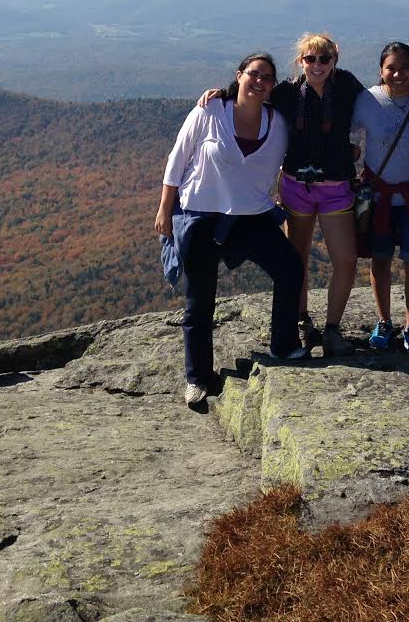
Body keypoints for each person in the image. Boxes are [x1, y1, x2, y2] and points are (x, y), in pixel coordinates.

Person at [154, 52, 305, 407]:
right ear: (239, 76)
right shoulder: (209, 112)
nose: (259, 82)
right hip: (200, 216)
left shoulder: (277, 124)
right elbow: (177, 160)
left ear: (272, 86)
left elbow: (285, 165)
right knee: (199, 300)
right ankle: (197, 378)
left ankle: (283, 345)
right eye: (253, 74)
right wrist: (164, 209)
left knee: (290, 269)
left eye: (267, 78)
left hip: (251, 217)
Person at [200, 33, 365, 356]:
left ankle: (332, 329)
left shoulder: (346, 86)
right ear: (300, 62)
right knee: (296, 258)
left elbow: (378, 101)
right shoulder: (288, 93)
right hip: (296, 186)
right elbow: (253, 97)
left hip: (336, 188)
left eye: (324, 59)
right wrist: (223, 94)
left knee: (345, 258)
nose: (317, 65)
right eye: (310, 59)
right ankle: (301, 321)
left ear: (334, 61)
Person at [352, 41, 409, 354]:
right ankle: (384, 321)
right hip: (379, 198)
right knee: (381, 261)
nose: (398, 73)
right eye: (391, 67)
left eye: (405, 68)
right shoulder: (366, 100)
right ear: (381, 71)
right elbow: (343, 131)